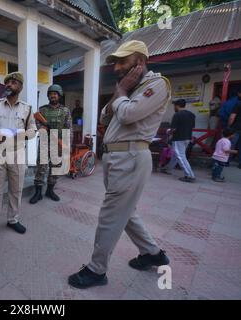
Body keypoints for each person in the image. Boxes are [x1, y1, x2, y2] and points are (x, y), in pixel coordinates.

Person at [68, 40, 171, 289]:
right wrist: (121, 91)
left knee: (110, 216)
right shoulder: (129, 88)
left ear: (141, 61)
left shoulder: (157, 84)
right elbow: (105, 116)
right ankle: (152, 254)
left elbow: (126, 114)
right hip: (116, 158)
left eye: (123, 62)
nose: (117, 68)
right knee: (126, 212)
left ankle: (96, 270)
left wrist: (123, 92)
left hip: (131, 158)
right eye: (116, 63)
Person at [0, 72, 37, 240]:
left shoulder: (26, 108)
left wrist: (20, 135)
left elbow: (33, 130)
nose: (9, 85)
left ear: (20, 86)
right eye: (7, 82)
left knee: (16, 189)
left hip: (17, 152)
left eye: (13, 82)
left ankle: (13, 219)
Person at [29, 84, 71, 204]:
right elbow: (34, 121)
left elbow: (68, 128)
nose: (53, 95)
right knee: (41, 168)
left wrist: (67, 145)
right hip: (44, 143)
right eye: (51, 93)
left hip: (58, 144)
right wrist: (41, 126)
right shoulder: (42, 110)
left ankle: (50, 191)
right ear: (48, 95)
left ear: (59, 95)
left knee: (55, 169)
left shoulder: (65, 111)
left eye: (55, 93)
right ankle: (38, 193)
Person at [160, 99, 196, 182]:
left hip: (178, 138)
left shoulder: (177, 115)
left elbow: (174, 129)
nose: (174, 108)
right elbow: (192, 127)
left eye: (174, 106)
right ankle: (167, 169)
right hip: (187, 137)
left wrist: (168, 131)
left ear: (177, 105)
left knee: (180, 156)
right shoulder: (191, 115)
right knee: (176, 155)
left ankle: (190, 175)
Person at [228, 97, 241, 168]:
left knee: (231, 144)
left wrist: (229, 126)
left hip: (236, 128)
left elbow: (232, 117)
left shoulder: (238, 104)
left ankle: (227, 161)